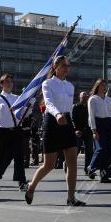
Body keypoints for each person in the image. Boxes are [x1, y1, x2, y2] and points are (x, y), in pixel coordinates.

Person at [25, 56, 85, 206]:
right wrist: (57, 114)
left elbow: (69, 107)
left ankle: (71, 198)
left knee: (72, 162)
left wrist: (74, 126)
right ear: (55, 66)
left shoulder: (70, 86)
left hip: (67, 122)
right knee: (49, 164)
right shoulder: (47, 84)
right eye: (64, 65)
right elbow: (49, 103)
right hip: (52, 121)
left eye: (68, 65)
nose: (66, 68)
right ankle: (31, 186)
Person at [0, 73, 28, 192]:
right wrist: (0, 106)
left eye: (11, 81)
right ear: (1, 84)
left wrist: (29, 105)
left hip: (15, 130)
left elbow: (23, 114)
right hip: (2, 131)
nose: (9, 84)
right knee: (0, 157)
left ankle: (22, 182)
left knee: (19, 157)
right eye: (7, 81)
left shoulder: (17, 97)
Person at [88, 79, 111, 183]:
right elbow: (91, 116)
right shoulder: (93, 99)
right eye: (102, 85)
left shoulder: (108, 99)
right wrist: (94, 130)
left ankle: (105, 175)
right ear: (97, 86)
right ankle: (91, 167)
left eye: (105, 85)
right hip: (99, 123)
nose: (104, 87)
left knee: (109, 151)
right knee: (101, 148)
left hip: (109, 123)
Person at [72, 91, 93, 174]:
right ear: (79, 97)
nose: (85, 97)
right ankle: (69, 166)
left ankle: (87, 169)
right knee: (76, 151)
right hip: (78, 131)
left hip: (88, 131)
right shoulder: (76, 107)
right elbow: (73, 120)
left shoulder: (89, 107)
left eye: (86, 96)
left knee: (89, 151)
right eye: (83, 96)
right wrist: (75, 130)